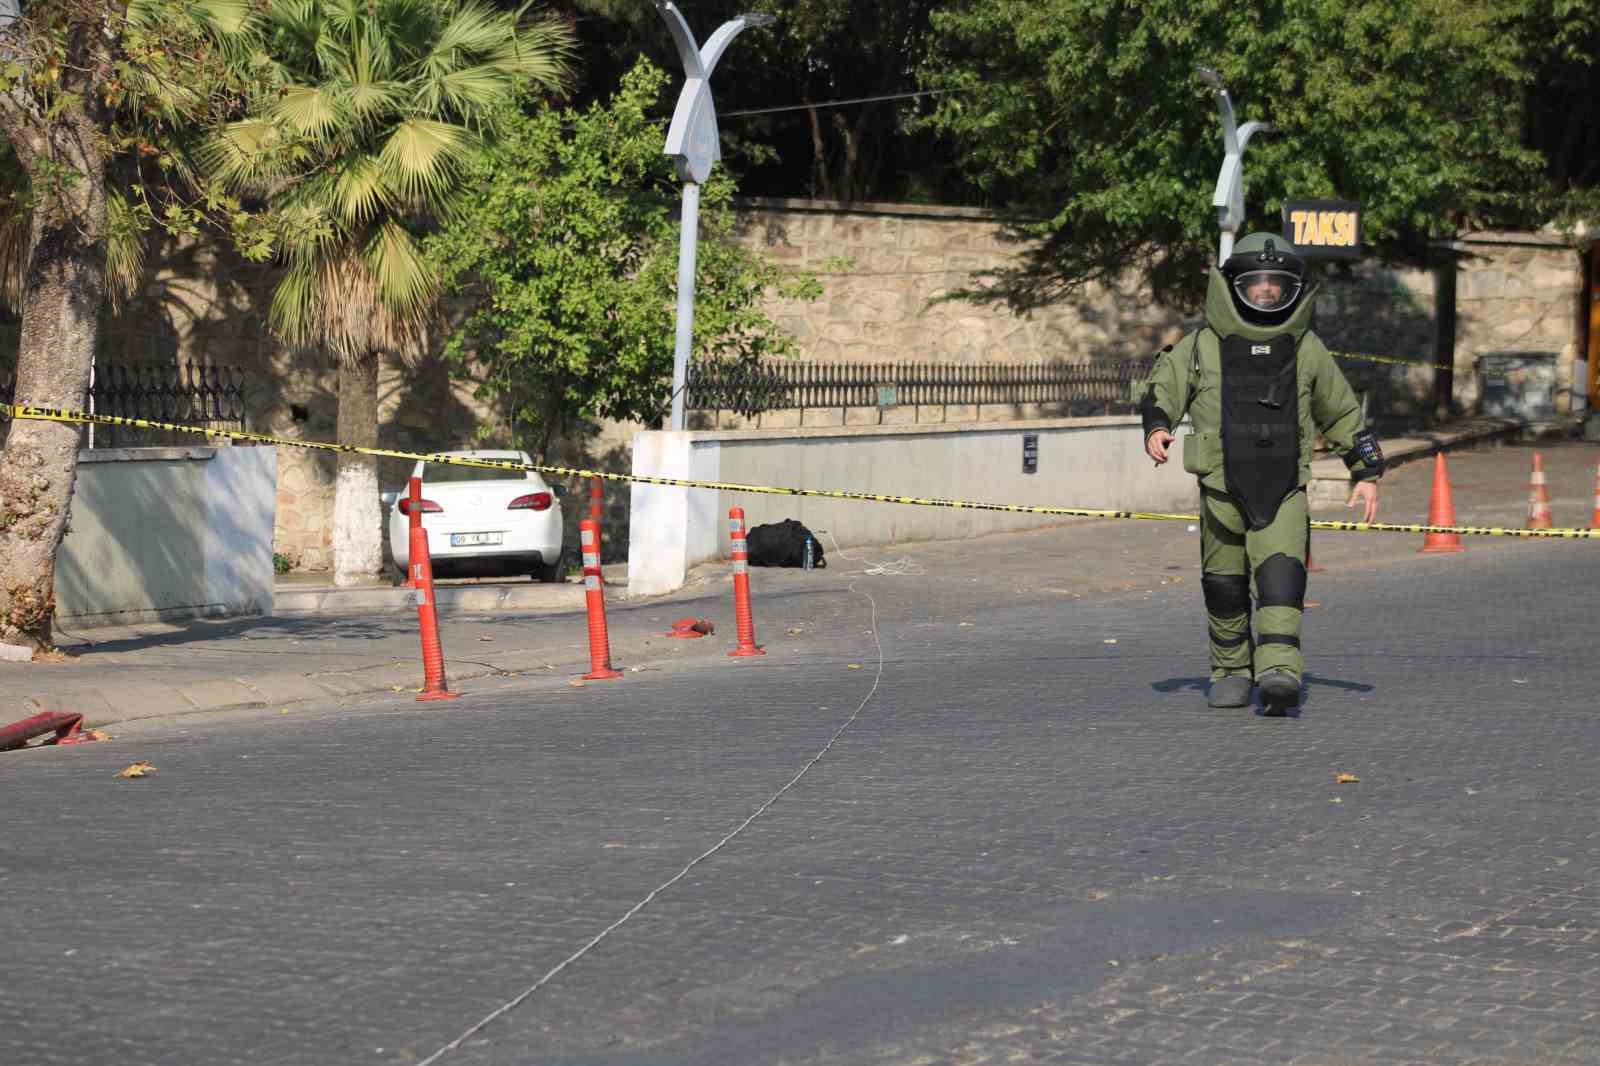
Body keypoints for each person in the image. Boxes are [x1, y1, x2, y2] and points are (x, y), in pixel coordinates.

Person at [1139, 232, 1384, 714]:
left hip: (1284, 488)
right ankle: (1229, 670)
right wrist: (1157, 427)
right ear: (1234, 285)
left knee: (1281, 581)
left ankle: (1279, 672)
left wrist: (1367, 471)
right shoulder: (1201, 345)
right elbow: (1162, 388)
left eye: (1276, 283)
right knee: (1224, 585)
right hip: (1219, 489)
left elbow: (1341, 412)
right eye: (1257, 283)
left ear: (1292, 289)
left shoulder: (1306, 347)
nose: (1267, 291)